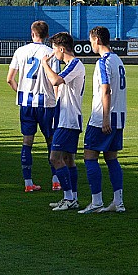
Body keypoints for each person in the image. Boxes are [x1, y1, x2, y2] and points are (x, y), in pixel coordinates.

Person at [7, 20, 61, 193]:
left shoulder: (20, 51)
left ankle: (28, 183)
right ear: (46, 35)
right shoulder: (51, 53)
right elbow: (55, 81)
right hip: (46, 103)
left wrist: (21, 93)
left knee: (27, 142)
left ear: (32, 33)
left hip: (26, 104)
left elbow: (10, 79)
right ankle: (55, 180)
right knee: (51, 141)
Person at [79, 26, 127, 214]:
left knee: (90, 156)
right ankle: (118, 201)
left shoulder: (103, 62)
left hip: (102, 117)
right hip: (119, 117)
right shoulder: (118, 60)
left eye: (91, 40)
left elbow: (106, 89)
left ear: (97, 40)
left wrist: (105, 117)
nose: (90, 43)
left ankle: (96, 201)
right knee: (111, 158)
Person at [41, 32, 85, 211]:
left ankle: (68, 197)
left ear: (61, 48)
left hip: (69, 118)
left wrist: (45, 64)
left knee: (55, 158)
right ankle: (72, 197)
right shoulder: (71, 65)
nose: (53, 53)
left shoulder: (75, 64)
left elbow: (56, 80)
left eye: (54, 49)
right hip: (65, 117)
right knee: (67, 159)